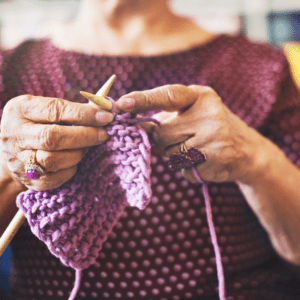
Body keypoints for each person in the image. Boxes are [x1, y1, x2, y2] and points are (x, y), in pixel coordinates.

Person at [0, 0, 300, 299]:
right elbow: (22, 176)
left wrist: (256, 159)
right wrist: (20, 170)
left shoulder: (259, 68)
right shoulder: (13, 71)